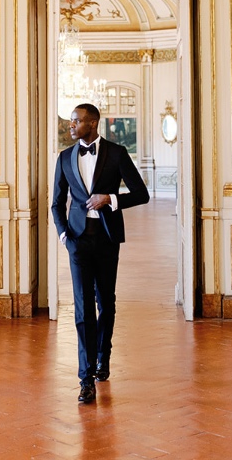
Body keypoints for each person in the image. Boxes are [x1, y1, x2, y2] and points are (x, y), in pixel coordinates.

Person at [52, 103, 150, 404]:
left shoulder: (117, 153)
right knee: (82, 308)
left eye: (76, 121)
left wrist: (110, 198)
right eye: (71, 121)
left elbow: (141, 194)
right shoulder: (65, 157)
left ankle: (102, 358)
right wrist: (64, 235)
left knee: (105, 302)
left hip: (107, 239)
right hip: (78, 241)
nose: (71, 126)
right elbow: (56, 202)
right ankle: (86, 378)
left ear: (93, 123)